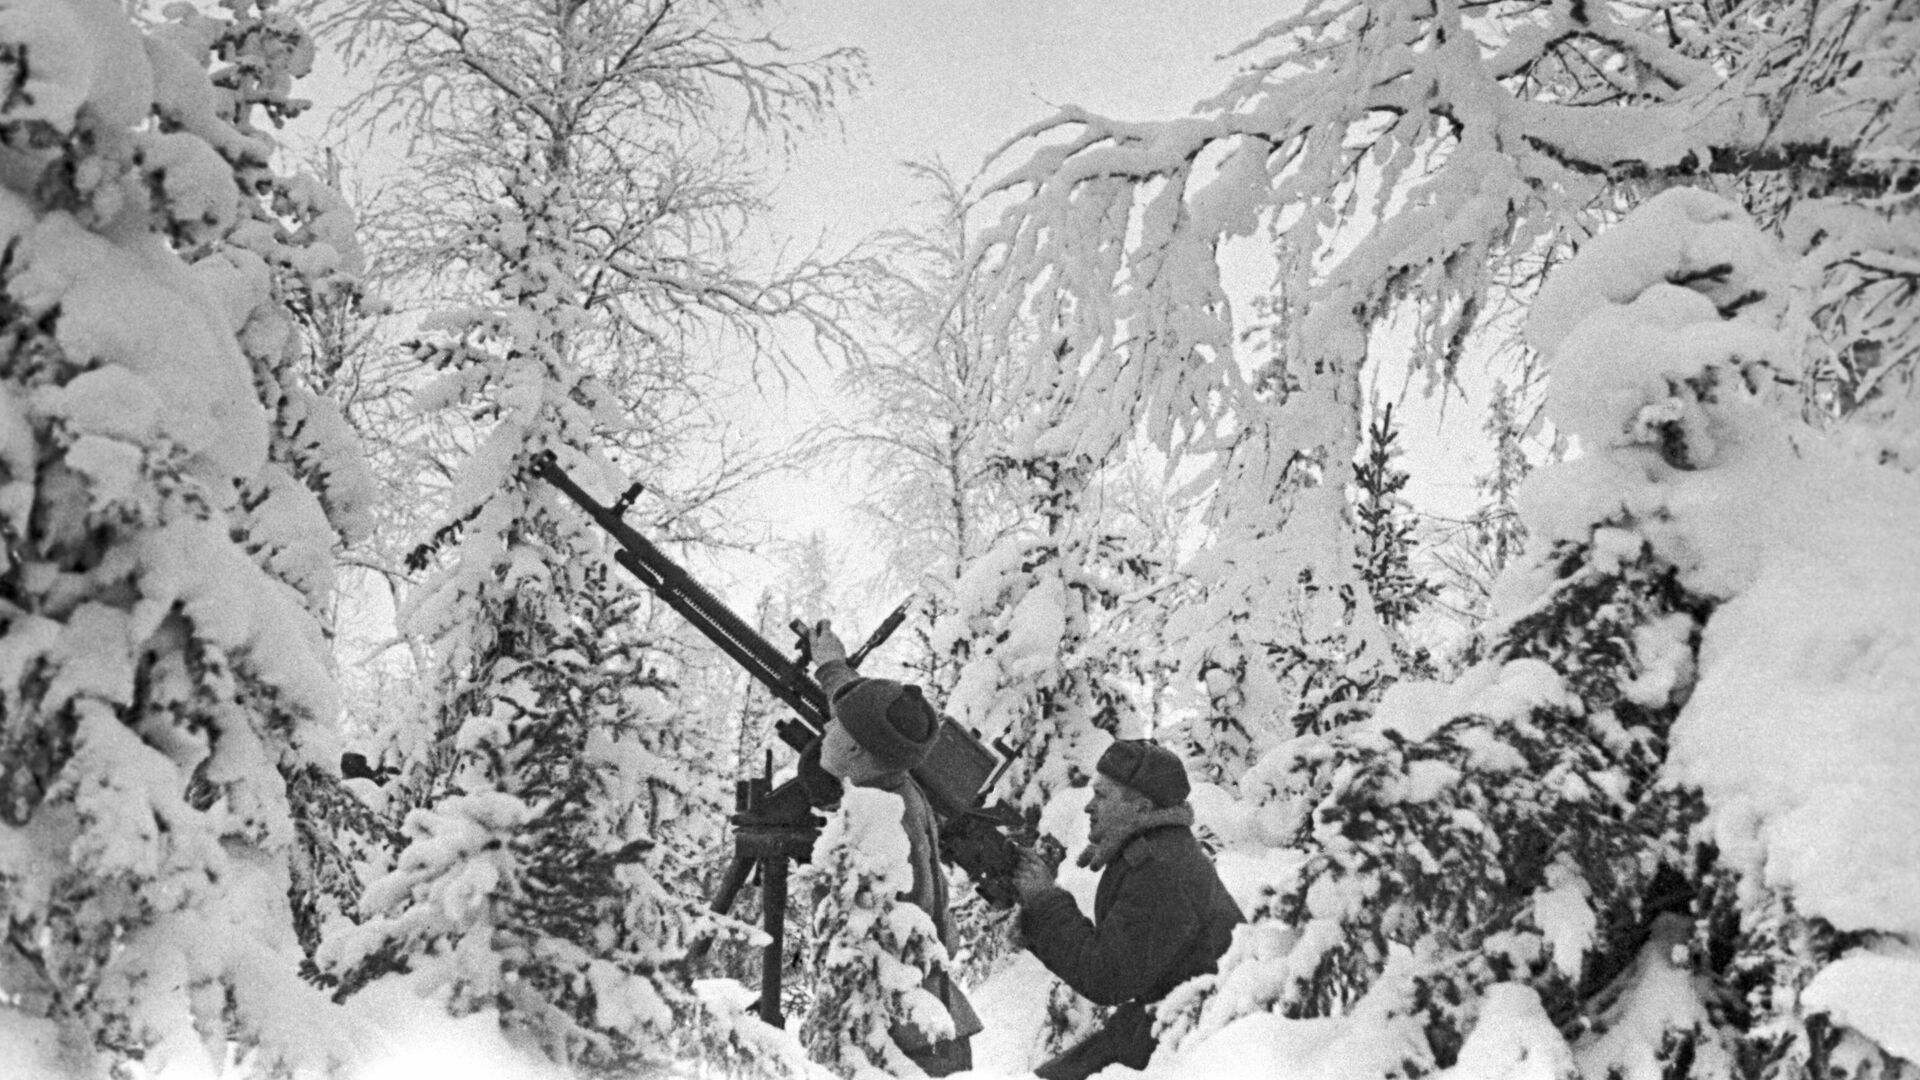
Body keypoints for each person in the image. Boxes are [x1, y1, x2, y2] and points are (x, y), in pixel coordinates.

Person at [805, 620, 983, 1077]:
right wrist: (831, 668)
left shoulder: (879, 819)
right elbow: (871, 717)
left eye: (835, 728)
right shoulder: (898, 782)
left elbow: (866, 937)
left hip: (904, 1043)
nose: (825, 729)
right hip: (925, 1025)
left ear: (858, 753)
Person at [1012, 740, 1244, 1080]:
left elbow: (1108, 977)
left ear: (1141, 807)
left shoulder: (1159, 867)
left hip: (1203, 1036)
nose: (1089, 807)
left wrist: (1045, 902)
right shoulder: (1158, 850)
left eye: (1103, 796)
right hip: (1180, 1014)